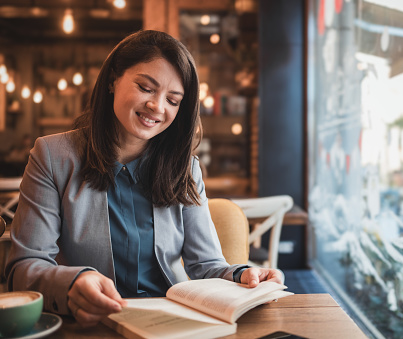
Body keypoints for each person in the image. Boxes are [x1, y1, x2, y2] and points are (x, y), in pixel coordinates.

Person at [5, 30, 282, 327]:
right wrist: (73, 281)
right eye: (146, 88)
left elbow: (207, 265)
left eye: (173, 101)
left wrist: (245, 274)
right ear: (113, 79)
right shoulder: (52, 155)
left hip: (171, 323)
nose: (157, 107)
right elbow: (24, 266)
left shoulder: (184, 167)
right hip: (93, 323)